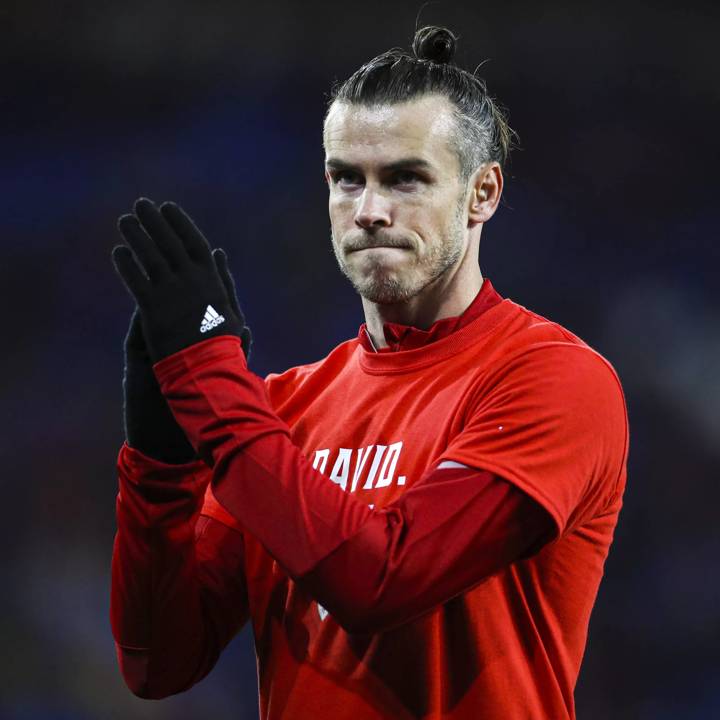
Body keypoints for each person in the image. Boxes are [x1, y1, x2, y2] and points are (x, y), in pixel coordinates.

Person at [109, 25, 629, 720]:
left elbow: (382, 580)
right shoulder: (282, 406)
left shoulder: (554, 380)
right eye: (346, 178)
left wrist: (207, 378)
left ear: (483, 193)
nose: (370, 211)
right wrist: (161, 467)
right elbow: (158, 663)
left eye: (406, 178)